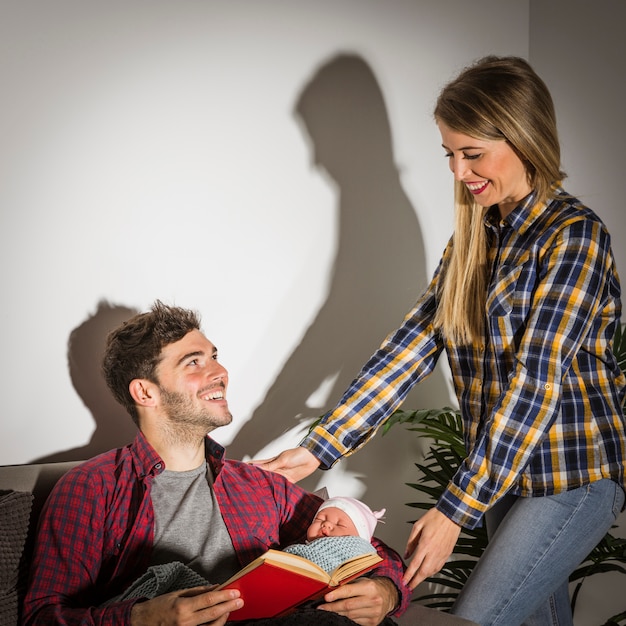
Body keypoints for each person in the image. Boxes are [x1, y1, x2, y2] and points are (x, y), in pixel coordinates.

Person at [253, 55, 626, 626]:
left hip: (570, 477)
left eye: (472, 153)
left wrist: (453, 511)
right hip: (504, 478)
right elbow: (406, 352)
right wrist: (316, 449)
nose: (458, 170)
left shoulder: (575, 238)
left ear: (524, 138)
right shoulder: (472, 241)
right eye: (450, 154)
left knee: (472, 619)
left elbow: (535, 386)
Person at [22, 301, 410, 626]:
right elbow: (42, 616)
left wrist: (386, 592)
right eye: (193, 363)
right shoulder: (92, 487)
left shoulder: (258, 485)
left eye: (214, 357)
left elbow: (367, 544)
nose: (219, 373)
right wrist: (141, 618)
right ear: (145, 391)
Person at [284, 497, 386, 574]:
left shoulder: (360, 558)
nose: (326, 524)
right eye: (320, 519)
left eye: (340, 524)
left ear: (357, 540)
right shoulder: (300, 547)